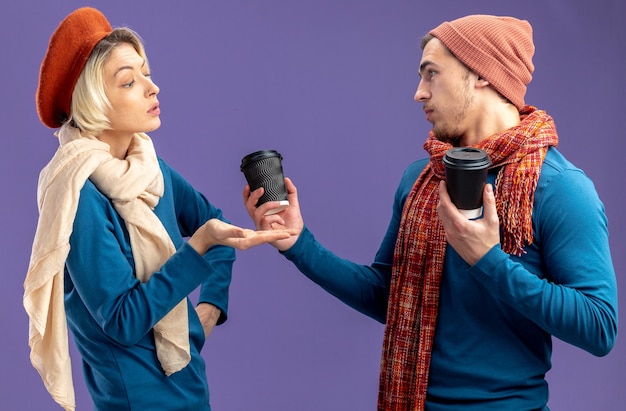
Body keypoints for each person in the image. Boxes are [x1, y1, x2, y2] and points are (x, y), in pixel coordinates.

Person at [244, 14, 618, 411]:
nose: (418, 93)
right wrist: (299, 244)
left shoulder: (558, 187)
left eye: (431, 74)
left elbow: (598, 327)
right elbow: (388, 295)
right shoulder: (420, 179)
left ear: (481, 74)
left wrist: (487, 260)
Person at [23, 7, 294, 411]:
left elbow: (213, 227)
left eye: (146, 74)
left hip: (190, 386)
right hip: (137, 401)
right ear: (94, 102)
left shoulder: (150, 170)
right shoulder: (77, 196)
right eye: (129, 81)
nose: (153, 88)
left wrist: (210, 309)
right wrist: (197, 247)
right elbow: (122, 321)